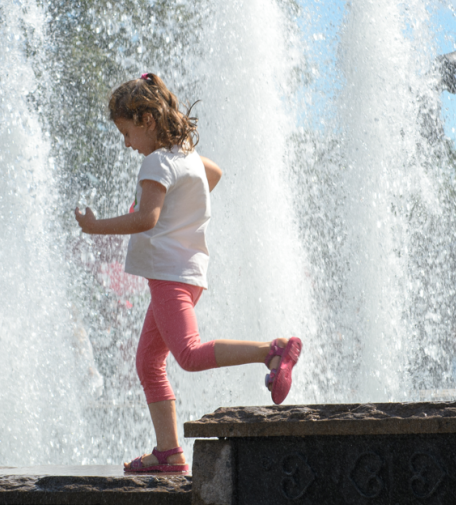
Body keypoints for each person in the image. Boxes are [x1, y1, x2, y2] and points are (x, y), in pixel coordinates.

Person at [74, 73, 303, 475]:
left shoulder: (156, 162)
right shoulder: (188, 159)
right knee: (147, 362)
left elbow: (148, 218)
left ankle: (273, 351)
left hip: (170, 276)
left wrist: (96, 227)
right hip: (185, 276)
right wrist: (185, 205)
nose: (126, 143)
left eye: (127, 132)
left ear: (146, 121)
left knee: (190, 355)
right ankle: (169, 452)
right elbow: (212, 175)